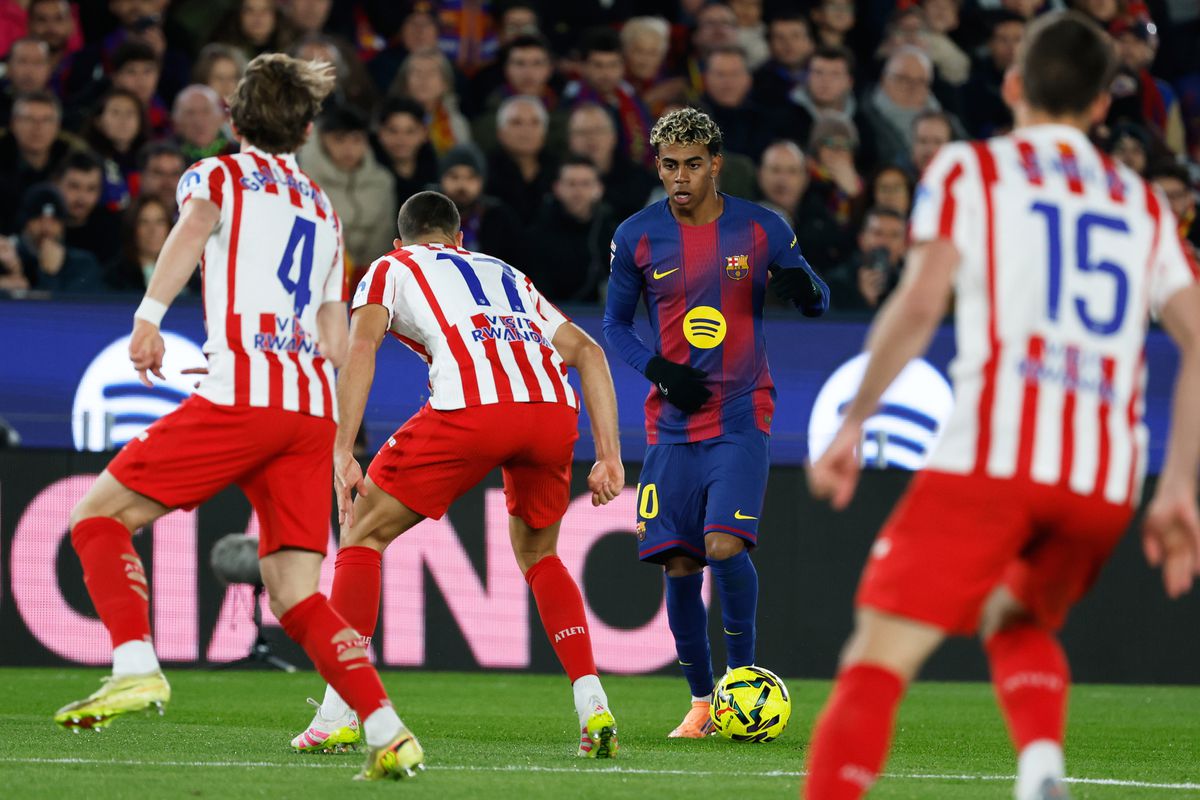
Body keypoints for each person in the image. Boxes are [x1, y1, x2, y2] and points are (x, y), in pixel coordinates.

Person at [804, 13, 1200, 799]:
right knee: (1015, 619)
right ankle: (1043, 770)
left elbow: (918, 306)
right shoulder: (1144, 205)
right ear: (1099, 107)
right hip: (1103, 483)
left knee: (875, 661)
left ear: (1015, 85)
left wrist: (855, 421)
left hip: (993, 460)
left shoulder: (971, 170)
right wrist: (1180, 483)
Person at [52, 53, 424, 782]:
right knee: (295, 594)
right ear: (308, 127)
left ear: (234, 115)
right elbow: (336, 338)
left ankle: (135, 665)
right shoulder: (324, 208)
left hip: (245, 398)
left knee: (96, 520)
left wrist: (149, 319)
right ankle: (387, 729)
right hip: (308, 412)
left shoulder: (217, 176)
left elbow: (190, 232)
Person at [290, 189, 624, 760]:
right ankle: (592, 702)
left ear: (401, 241)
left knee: (362, 533)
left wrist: (342, 447)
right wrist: (610, 456)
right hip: (549, 410)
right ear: (459, 239)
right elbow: (589, 353)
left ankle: (339, 711)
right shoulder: (506, 272)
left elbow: (362, 345)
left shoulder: (389, 267)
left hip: (473, 408)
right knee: (540, 557)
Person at [602, 107, 828, 738]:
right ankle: (701, 702)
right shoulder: (638, 235)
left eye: (693, 165)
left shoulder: (761, 227)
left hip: (740, 412)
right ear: (658, 166)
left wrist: (803, 289)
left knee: (723, 545)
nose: (681, 177)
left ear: (715, 163)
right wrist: (658, 370)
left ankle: (743, 685)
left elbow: (818, 298)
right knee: (678, 562)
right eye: (670, 165)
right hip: (670, 425)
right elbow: (614, 323)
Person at [299, 102, 398, 273]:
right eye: (339, 139)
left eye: (356, 139)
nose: (348, 148)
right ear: (322, 139)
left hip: (370, 273)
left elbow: (383, 235)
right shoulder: (305, 181)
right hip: (320, 271)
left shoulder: (382, 181)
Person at [523, 155, 616, 303]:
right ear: (557, 188)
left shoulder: (613, 235)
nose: (578, 192)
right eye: (571, 184)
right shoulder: (536, 236)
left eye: (585, 184)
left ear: (599, 189)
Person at [14, 181, 104, 292]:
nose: (46, 228)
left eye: (54, 220)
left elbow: (69, 309)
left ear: (63, 225)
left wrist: (49, 276)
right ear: (25, 222)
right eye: (37, 218)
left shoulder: (82, 264)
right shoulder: (9, 259)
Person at [55, 150, 122, 265]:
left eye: (91, 189)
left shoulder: (111, 230)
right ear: (56, 183)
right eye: (74, 187)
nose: (82, 198)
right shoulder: (42, 224)